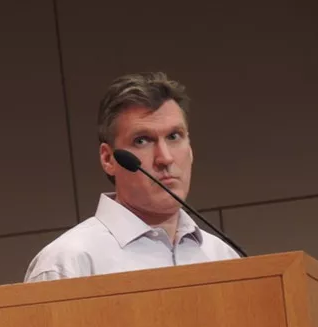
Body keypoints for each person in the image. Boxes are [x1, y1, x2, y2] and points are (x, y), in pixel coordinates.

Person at [25, 72, 239, 282]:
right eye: (142, 141)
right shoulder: (67, 265)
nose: (165, 158)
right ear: (108, 159)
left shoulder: (223, 257)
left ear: (190, 149)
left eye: (174, 137)